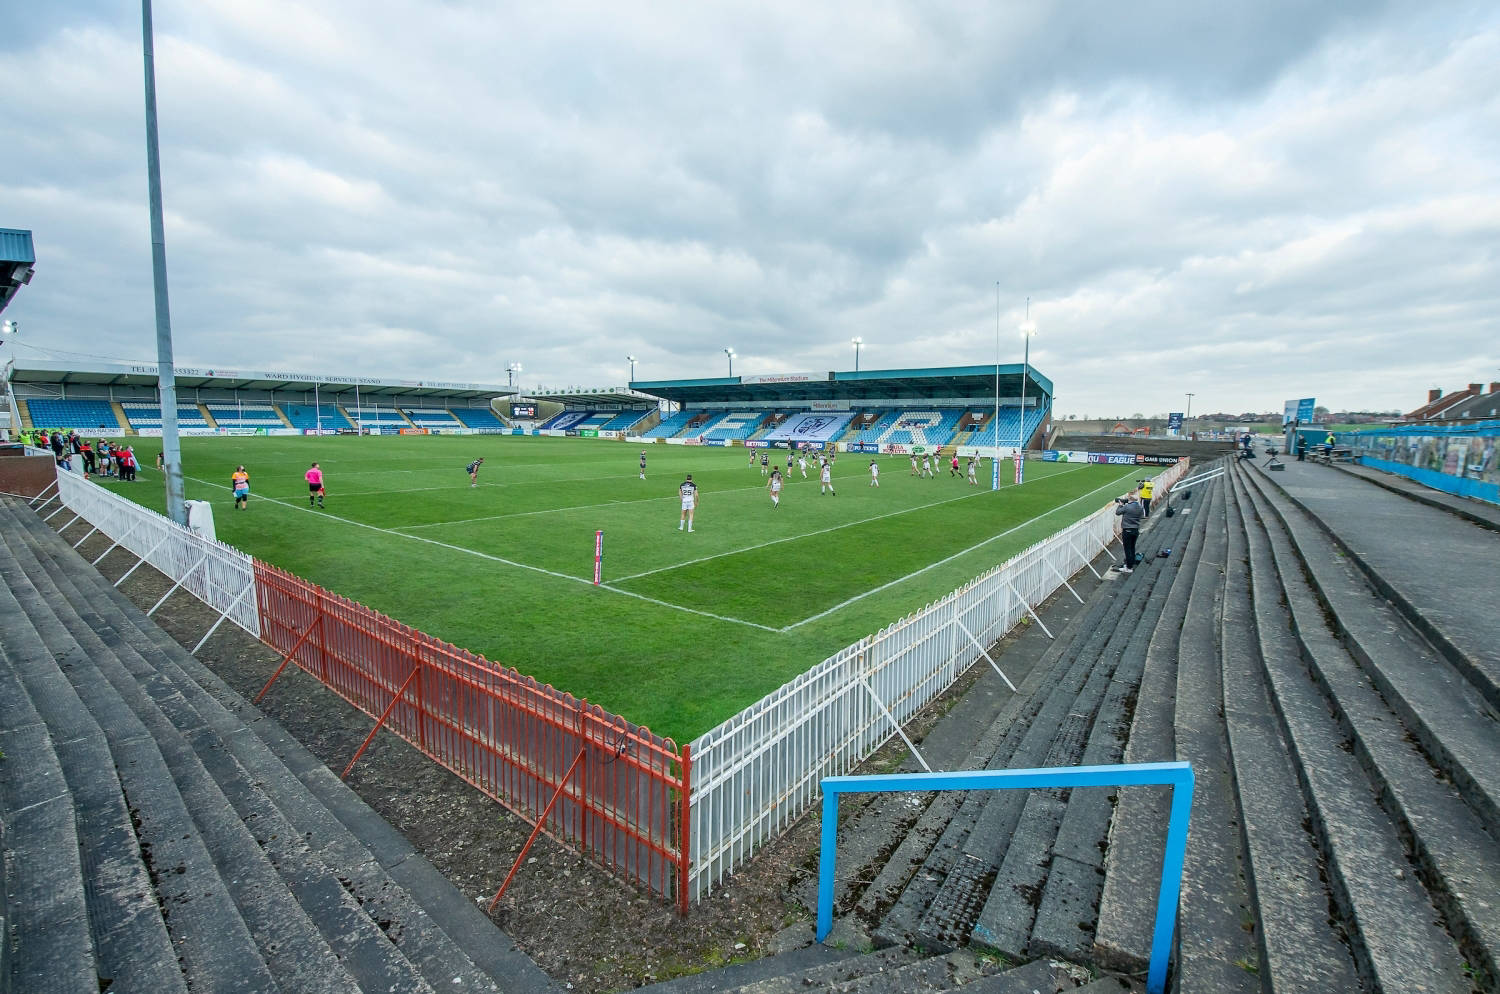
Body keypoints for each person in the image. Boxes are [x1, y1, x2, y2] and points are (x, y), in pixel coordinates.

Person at [1114, 491, 1144, 574]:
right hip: (1135, 530)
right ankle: (1131, 562)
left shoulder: (1127, 507)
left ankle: (1129, 567)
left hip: (1127, 530)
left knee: (1127, 549)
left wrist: (1120, 504)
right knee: (1132, 547)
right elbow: (1142, 516)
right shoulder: (1140, 507)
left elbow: (1118, 512)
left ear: (1130, 499)